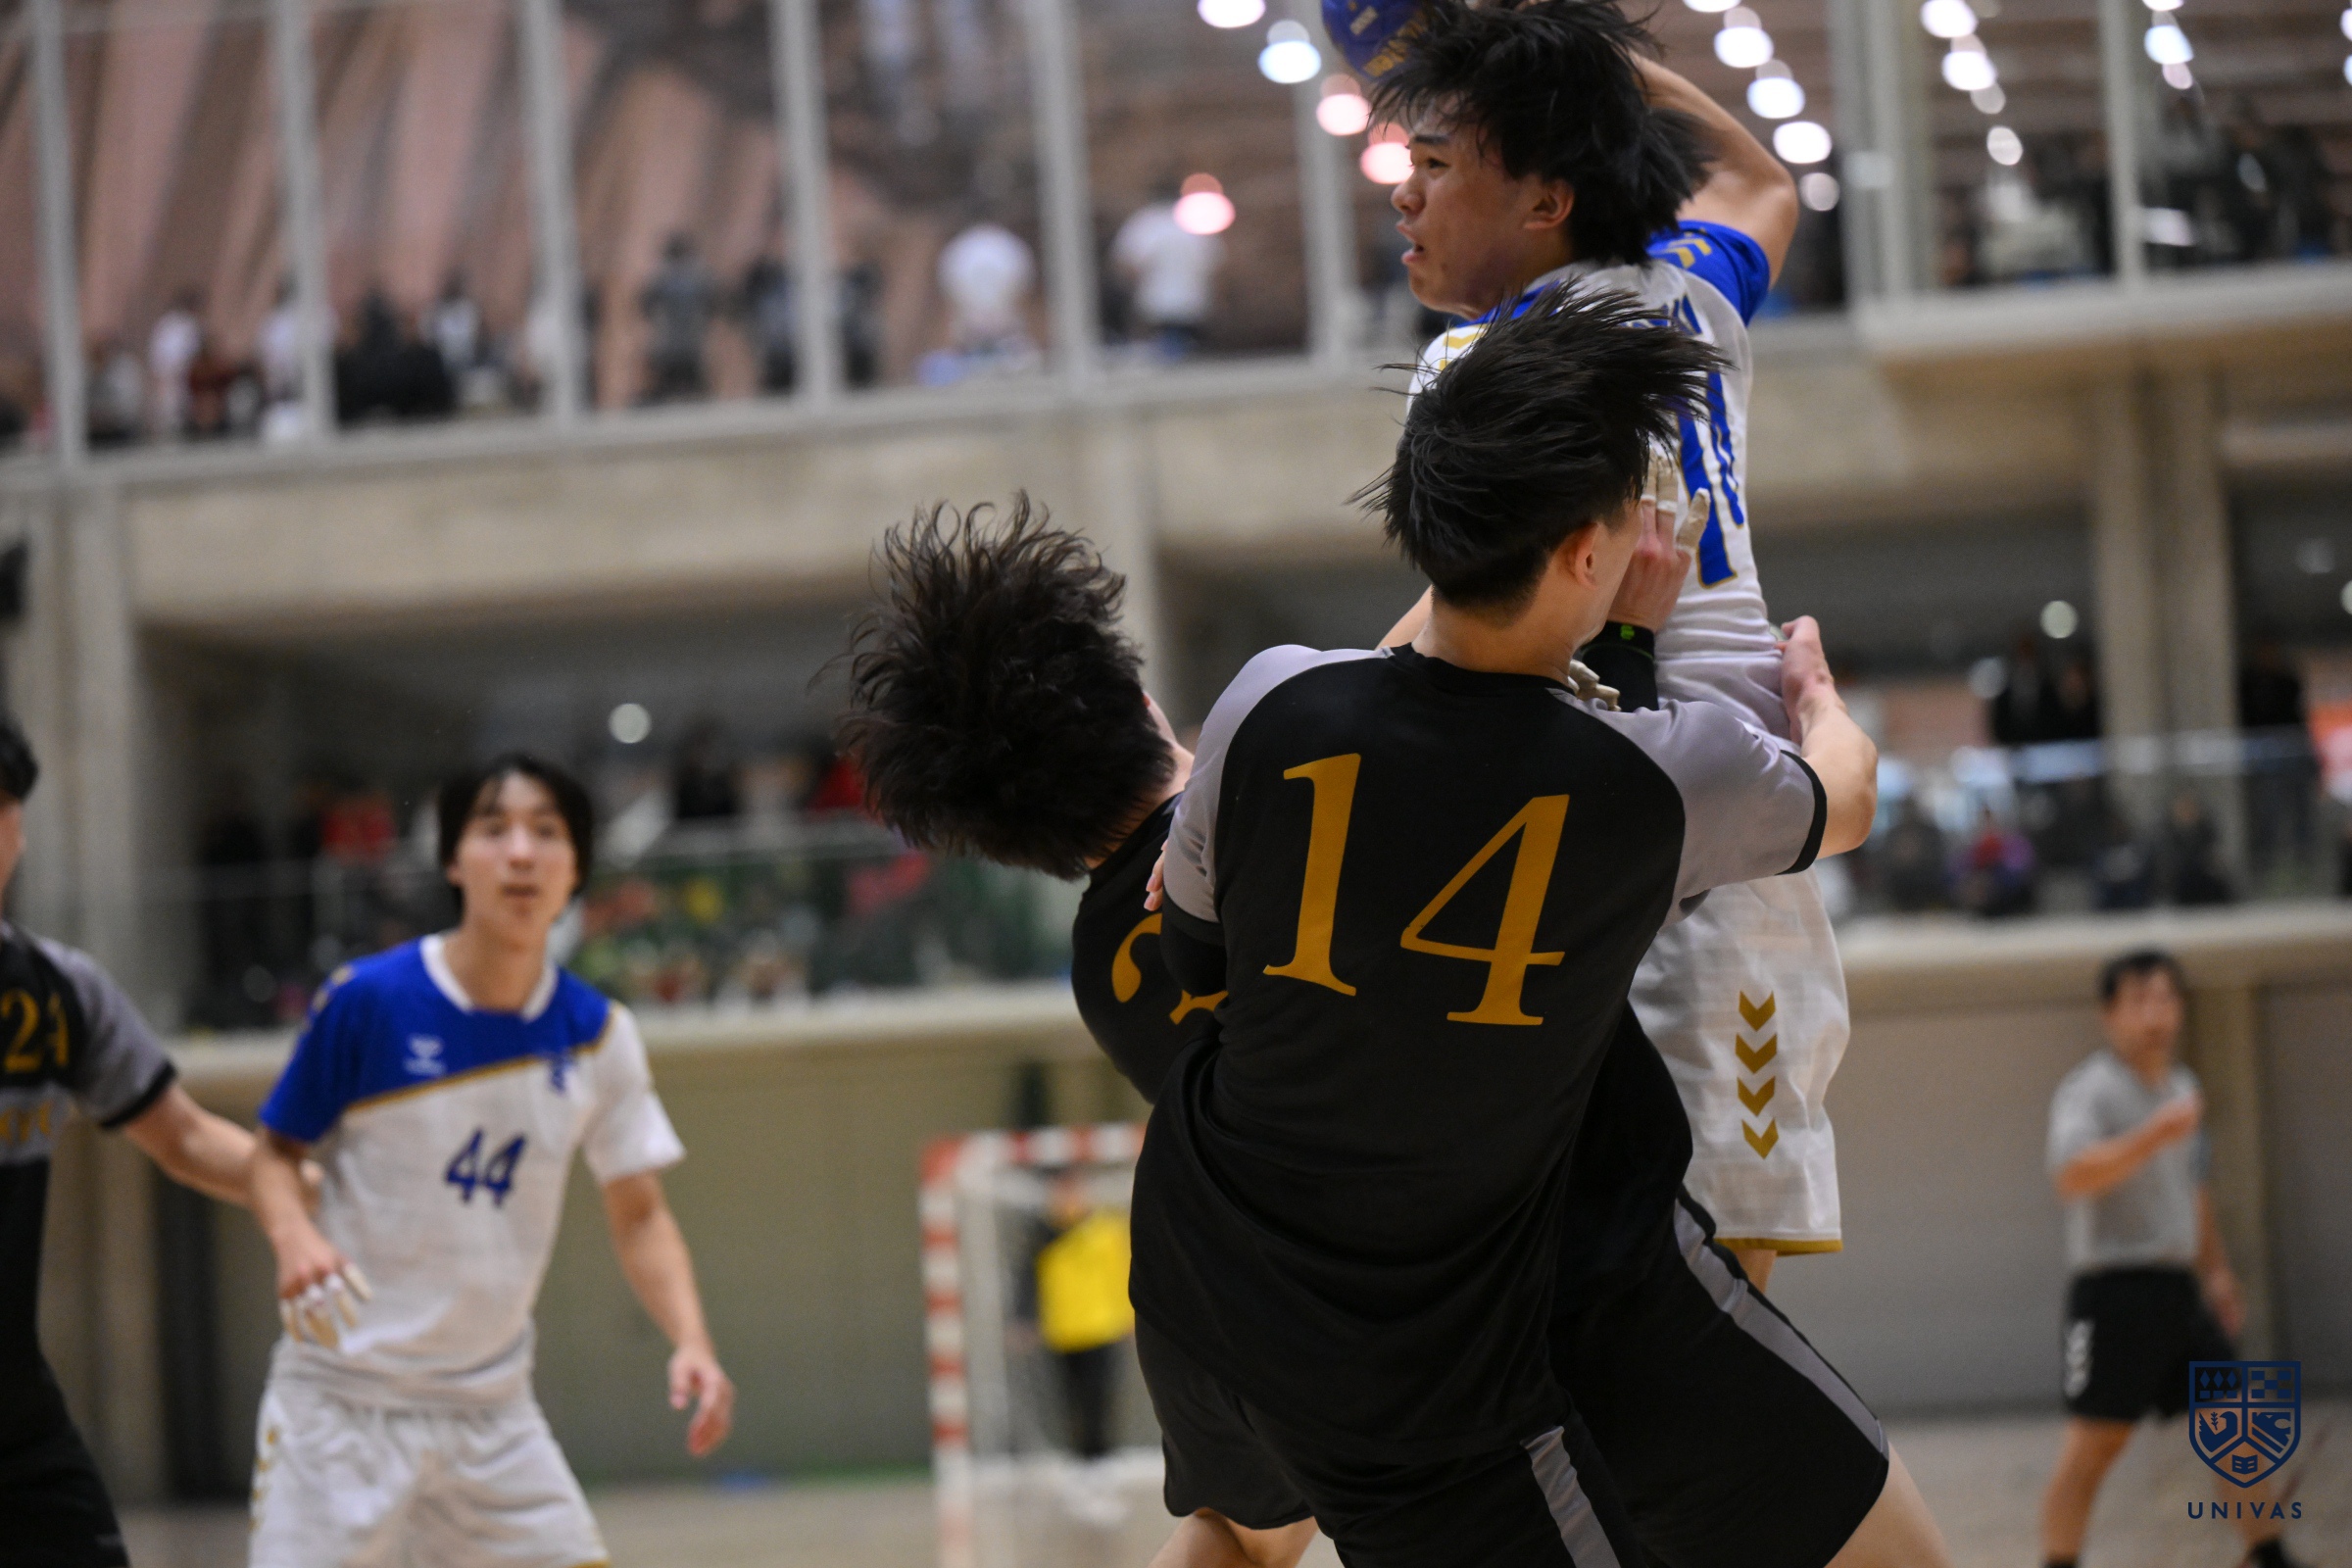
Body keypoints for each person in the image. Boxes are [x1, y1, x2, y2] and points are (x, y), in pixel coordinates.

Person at [1152, 291, 1891, 1567]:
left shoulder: (1267, 701)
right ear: (1586, 555)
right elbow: (1848, 801)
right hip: (1425, 1360)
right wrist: (1815, 696)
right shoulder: (1661, 778)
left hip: (1207, 1284)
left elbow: (1196, 958)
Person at [1355, 0, 1835, 1291]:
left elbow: (1466, 615)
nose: (1404, 195)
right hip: (1757, 818)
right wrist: (1566, 55)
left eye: (1436, 163)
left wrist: (1318, 725)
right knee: (1731, 1301)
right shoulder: (1697, 293)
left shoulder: (1483, 361)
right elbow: (1760, 179)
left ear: (1547, 200)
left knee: (1617, 1309)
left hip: (1611, 825)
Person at [245, 753, 735, 1566]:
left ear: (575, 867)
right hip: (341, 1408)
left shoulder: (598, 1035)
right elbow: (273, 1153)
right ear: (451, 859)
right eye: (494, 829)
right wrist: (294, 1236)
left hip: (492, 1416)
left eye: (546, 833)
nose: (520, 853)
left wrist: (693, 1340)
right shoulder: (369, 999)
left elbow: (640, 1212)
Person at [0, 711, 273, 1565]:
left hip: (14, 1416)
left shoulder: (57, 992)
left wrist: (315, 1197)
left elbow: (185, 1137)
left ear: (17, 829)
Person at [2037, 950, 2309, 1568]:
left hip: (2179, 1291)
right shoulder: (2090, 1090)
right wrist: (2151, 1135)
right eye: (2139, 1000)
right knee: (2093, 1447)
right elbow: (2071, 1175)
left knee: (2236, 1428)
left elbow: (2193, 1189)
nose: (2155, 1015)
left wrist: (2217, 1271)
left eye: (2166, 998)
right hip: (2114, 1295)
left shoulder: (2184, 1087)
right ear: (2109, 1014)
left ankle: (2269, 1555)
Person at [1111, 187, 1225, 360]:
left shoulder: (1145, 223)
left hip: (1155, 304)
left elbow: (1126, 263)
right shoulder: (1193, 221)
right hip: (1192, 303)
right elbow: (1215, 263)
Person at [640, 232, 718, 402]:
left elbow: (646, 305)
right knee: (693, 387)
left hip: (672, 343)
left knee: (671, 387)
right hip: (689, 342)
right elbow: (712, 305)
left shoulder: (663, 279)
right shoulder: (698, 278)